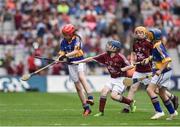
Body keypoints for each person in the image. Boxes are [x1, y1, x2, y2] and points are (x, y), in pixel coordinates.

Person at [122, 26, 179, 113]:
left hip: (149, 69)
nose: (138, 34)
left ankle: (172, 97)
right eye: (137, 32)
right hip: (139, 70)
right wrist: (132, 61)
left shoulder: (149, 43)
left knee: (156, 90)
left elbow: (155, 56)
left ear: (145, 33)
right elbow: (133, 53)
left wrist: (148, 59)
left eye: (141, 32)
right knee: (133, 87)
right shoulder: (135, 43)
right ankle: (126, 107)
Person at [72, 40, 136, 116]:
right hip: (112, 78)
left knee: (113, 96)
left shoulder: (120, 57)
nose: (107, 46)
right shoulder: (105, 55)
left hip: (121, 79)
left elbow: (130, 66)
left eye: (109, 45)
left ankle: (130, 102)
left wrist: (123, 69)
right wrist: (78, 62)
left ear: (115, 48)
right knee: (103, 92)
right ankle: (101, 112)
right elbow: (91, 59)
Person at [56, 24, 94, 116]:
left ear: (71, 34)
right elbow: (62, 53)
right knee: (77, 87)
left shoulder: (77, 39)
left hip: (80, 61)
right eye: (64, 34)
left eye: (66, 34)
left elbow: (76, 51)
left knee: (81, 77)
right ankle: (86, 108)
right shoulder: (63, 42)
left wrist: (65, 56)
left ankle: (90, 97)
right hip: (71, 64)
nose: (64, 36)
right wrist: (59, 58)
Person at [145, 28, 178, 120]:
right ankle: (172, 112)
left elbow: (167, 59)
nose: (148, 36)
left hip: (163, 71)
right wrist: (149, 58)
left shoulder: (158, 45)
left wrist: (159, 70)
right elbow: (158, 57)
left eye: (150, 35)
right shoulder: (156, 45)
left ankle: (159, 111)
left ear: (155, 36)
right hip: (166, 71)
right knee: (162, 93)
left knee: (149, 90)